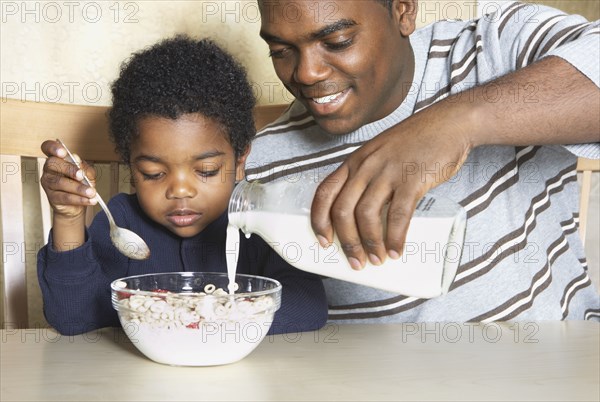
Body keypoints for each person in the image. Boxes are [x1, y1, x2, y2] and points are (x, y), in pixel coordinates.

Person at [246, 0, 600, 321]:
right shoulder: (265, 170)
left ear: (403, 10)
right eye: (280, 51)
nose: (307, 73)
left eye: (337, 42)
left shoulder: (498, 49)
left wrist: (458, 122)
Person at [37, 35, 328, 335]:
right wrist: (68, 218)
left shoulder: (259, 224)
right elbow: (73, 316)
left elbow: (309, 307)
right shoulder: (122, 221)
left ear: (240, 161)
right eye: (152, 173)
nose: (180, 190)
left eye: (206, 170)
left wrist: (207, 319)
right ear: (131, 166)